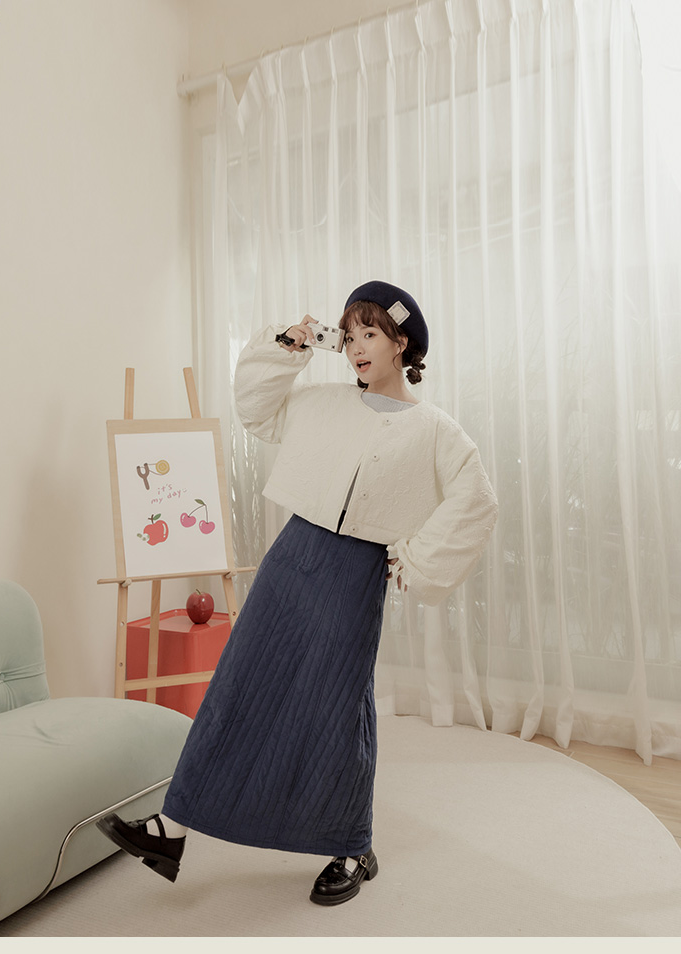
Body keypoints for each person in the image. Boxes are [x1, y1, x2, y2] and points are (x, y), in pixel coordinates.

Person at [97, 280, 499, 906]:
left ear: (400, 343)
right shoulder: (323, 402)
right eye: (351, 334)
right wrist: (289, 347)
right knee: (238, 682)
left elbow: (477, 501)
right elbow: (256, 410)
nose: (357, 346)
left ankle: (351, 845)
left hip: (356, 571)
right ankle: (171, 830)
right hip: (292, 557)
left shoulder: (436, 431)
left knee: (336, 706)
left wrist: (415, 560)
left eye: (371, 333)